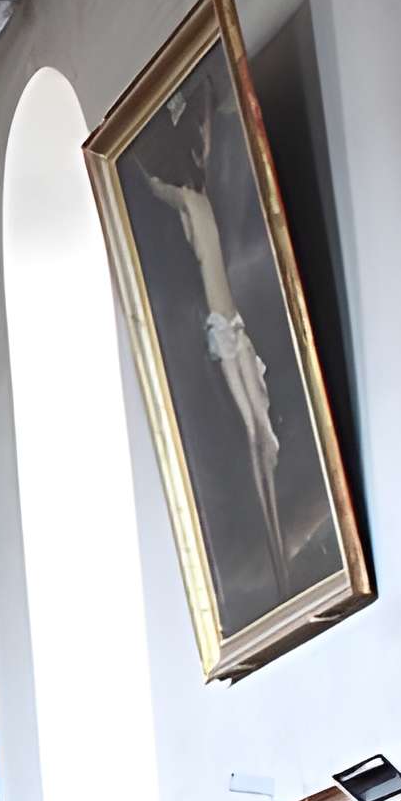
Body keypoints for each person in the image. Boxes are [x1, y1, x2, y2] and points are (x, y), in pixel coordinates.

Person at [137, 99, 287, 586]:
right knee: (254, 425)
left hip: (229, 326)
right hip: (225, 327)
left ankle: (273, 526)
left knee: (258, 426)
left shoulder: (194, 205)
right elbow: (168, 188)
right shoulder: (195, 206)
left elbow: (167, 187)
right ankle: (272, 529)